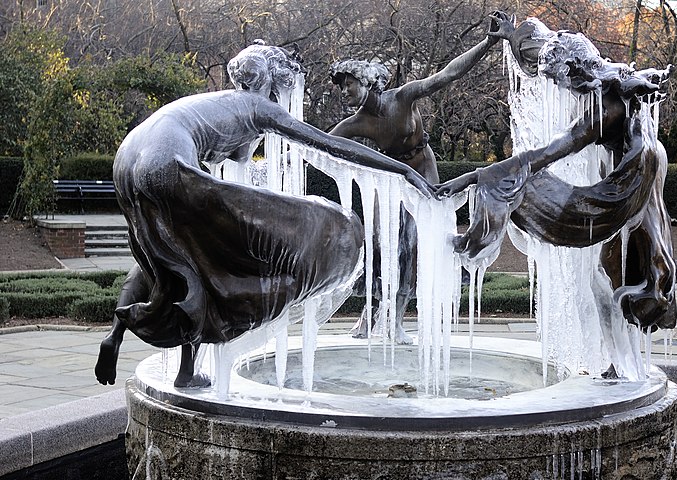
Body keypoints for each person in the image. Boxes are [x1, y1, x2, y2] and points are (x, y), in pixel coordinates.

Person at [95, 43, 433, 388]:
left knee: (163, 259)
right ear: (272, 84)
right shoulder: (258, 107)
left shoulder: (220, 102)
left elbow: (237, 157)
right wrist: (402, 171)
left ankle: (116, 337)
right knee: (212, 266)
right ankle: (186, 370)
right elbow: (329, 145)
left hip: (130, 156)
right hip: (166, 162)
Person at [436, 19, 677, 331]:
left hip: (630, 176)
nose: (561, 88)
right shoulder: (612, 81)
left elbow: (547, 154)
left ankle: (627, 346)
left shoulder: (602, 111)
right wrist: (511, 34)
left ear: (575, 74)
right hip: (644, 161)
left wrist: (476, 176)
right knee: (627, 259)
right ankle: (629, 344)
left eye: (561, 81)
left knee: (605, 276)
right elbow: (544, 42)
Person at [328, 11, 513, 344]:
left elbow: (447, 74)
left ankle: (396, 322)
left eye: (348, 84)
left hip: (424, 176)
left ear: (366, 81)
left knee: (412, 247)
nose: (344, 91)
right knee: (380, 245)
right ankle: (368, 316)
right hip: (393, 180)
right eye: (341, 87)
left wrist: (488, 43)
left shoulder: (402, 97)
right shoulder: (355, 124)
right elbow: (320, 142)